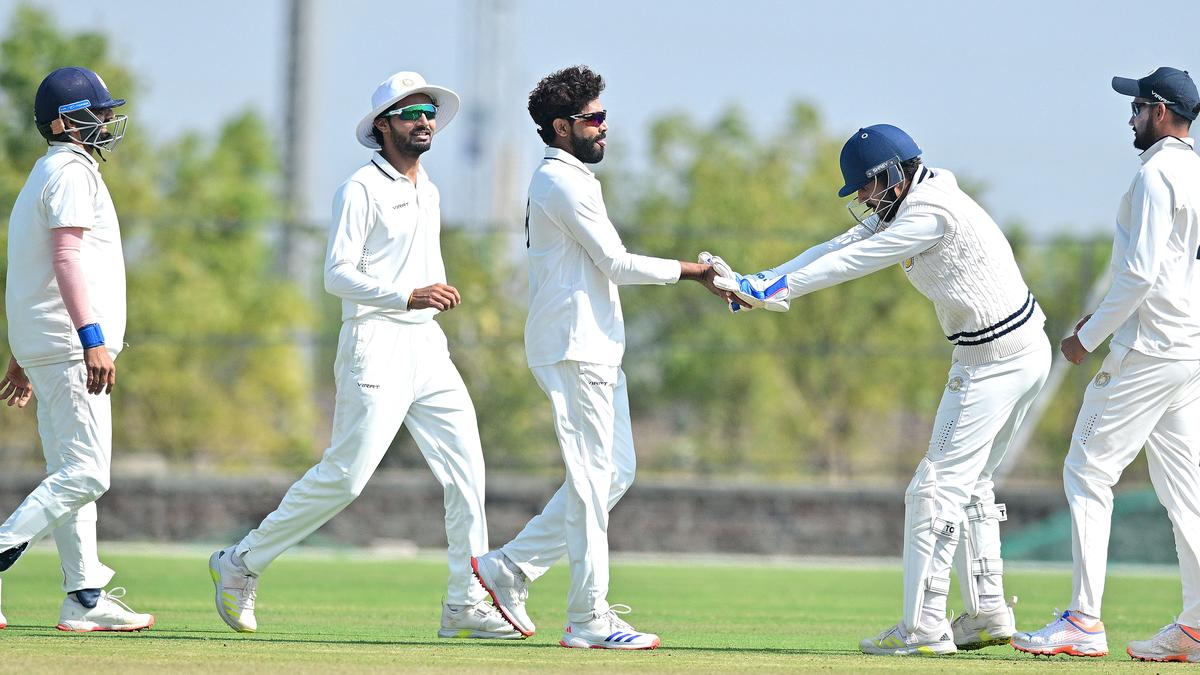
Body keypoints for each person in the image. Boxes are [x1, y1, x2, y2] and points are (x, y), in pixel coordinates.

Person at [208, 71, 517, 640]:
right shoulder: (359, 188)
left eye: (428, 112)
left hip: (428, 344)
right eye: (410, 113)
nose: (424, 121)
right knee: (347, 478)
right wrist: (406, 294)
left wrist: (429, 298)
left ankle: (464, 602)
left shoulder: (431, 188)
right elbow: (336, 274)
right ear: (383, 125)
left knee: (468, 470)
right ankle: (241, 562)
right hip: (375, 341)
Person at [721, 124, 1051, 655]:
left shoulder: (929, 213)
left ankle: (922, 629)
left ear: (895, 174)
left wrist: (775, 290)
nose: (866, 201)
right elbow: (835, 245)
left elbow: (853, 262)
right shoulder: (918, 197)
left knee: (932, 488)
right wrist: (759, 280)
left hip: (992, 357)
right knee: (973, 486)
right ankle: (988, 612)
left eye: (869, 188)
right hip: (1023, 348)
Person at [470, 65, 724, 650]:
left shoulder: (575, 179)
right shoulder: (559, 181)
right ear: (562, 127)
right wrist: (694, 272)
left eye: (604, 115)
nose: (604, 128)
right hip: (573, 345)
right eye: (594, 119)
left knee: (614, 474)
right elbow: (617, 263)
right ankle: (589, 618)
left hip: (596, 346)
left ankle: (511, 568)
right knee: (589, 482)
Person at [1012, 67, 1200, 663]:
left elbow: (1140, 274)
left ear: (1163, 113)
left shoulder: (1156, 174)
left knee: (1087, 470)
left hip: (1147, 351)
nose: (1131, 117)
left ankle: (1083, 620)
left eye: (1140, 106)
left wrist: (1087, 337)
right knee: (1184, 490)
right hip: (1188, 348)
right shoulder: (1195, 171)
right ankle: (1197, 626)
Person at [0, 66, 154, 632]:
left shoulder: (45, 173)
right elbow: (65, 260)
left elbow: (27, 271)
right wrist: (91, 339)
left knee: (69, 471)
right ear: (66, 123)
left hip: (48, 341)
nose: (109, 120)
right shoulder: (69, 173)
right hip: (70, 343)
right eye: (98, 112)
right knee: (89, 473)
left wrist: (21, 351)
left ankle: (84, 596)